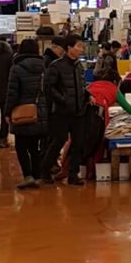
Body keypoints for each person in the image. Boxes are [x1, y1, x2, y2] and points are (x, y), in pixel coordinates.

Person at [41, 34, 90, 186]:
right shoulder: (56, 66)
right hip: (61, 112)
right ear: (69, 47)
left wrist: (87, 95)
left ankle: (73, 174)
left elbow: (81, 85)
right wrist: (63, 100)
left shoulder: (78, 66)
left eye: (82, 46)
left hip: (79, 111)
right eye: (78, 46)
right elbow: (48, 87)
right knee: (58, 141)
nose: (81, 50)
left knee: (78, 143)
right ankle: (45, 170)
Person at [5, 39, 48, 189]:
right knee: (35, 146)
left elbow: (12, 93)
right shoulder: (44, 67)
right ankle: (37, 175)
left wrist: (7, 112)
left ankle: (27, 175)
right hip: (40, 111)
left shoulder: (16, 68)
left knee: (21, 146)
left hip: (21, 111)